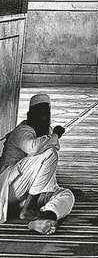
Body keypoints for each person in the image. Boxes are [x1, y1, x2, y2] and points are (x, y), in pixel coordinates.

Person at [0, 92, 75, 235]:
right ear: (29, 116)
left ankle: (46, 218)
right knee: (50, 153)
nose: (43, 119)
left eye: (46, 115)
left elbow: (45, 172)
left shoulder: (46, 132)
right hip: (9, 189)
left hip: (27, 193)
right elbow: (34, 148)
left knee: (66, 194)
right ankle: (28, 210)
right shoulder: (23, 130)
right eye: (39, 115)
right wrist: (56, 135)